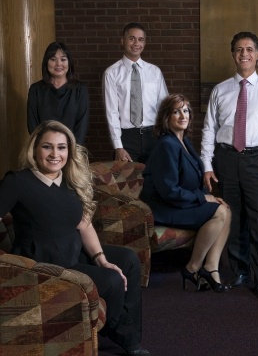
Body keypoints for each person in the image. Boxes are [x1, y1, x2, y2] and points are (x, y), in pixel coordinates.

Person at [0, 120, 150, 356]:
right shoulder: (17, 181)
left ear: (69, 151)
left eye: (61, 147)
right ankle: (105, 330)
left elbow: (84, 224)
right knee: (111, 282)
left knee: (129, 259)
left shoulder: (69, 180)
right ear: (35, 149)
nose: (54, 154)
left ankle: (128, 339)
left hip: (73, 251)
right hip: (45, 261)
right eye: (47, 147)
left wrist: (101, 259)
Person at [201, 32, 258, 299]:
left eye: (249, 49)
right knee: (233, 218)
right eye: (239, 49)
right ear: (233, 54)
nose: (244, 54)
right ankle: (241, 271)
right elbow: (208, 130)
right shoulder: (221, 90)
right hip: (226, 159)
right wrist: (207, 165)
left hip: (256, 160)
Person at [139, 94, 231, 292]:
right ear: (166, 117)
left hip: (179, 203)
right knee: (220, 213)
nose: (183, 115)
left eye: (186, 110)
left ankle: (211, 268)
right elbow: (169, 191)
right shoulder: (166, 145)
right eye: (176, 111)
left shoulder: (183, 142)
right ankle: (192, 268)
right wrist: (203, 198)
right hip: (165, 207)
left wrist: (210, 196)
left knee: (225, 209)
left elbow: (195, 179)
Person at [103, 22, 168, 163]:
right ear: (123, 40)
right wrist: (118, 147)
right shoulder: (112, 73)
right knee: (127, 183)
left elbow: (164, 108)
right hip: (127, 139)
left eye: (140, 39)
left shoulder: (155, 72)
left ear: (144, 43)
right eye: (131, 38)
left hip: (153, 136)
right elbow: (112, 112)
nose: (136, 43)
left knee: (154, 182)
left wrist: (165, 139)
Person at [27, 42, 89, 145]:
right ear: (46, 63)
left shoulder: (80, 89)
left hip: (73, 149)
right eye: (53, 59)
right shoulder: (36, 89)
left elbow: (82, 126)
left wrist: (71, 150)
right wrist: (46, 148)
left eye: (63, 59)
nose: (58, 64)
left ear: (69, 63)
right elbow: (33, 125)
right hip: (43, 150)